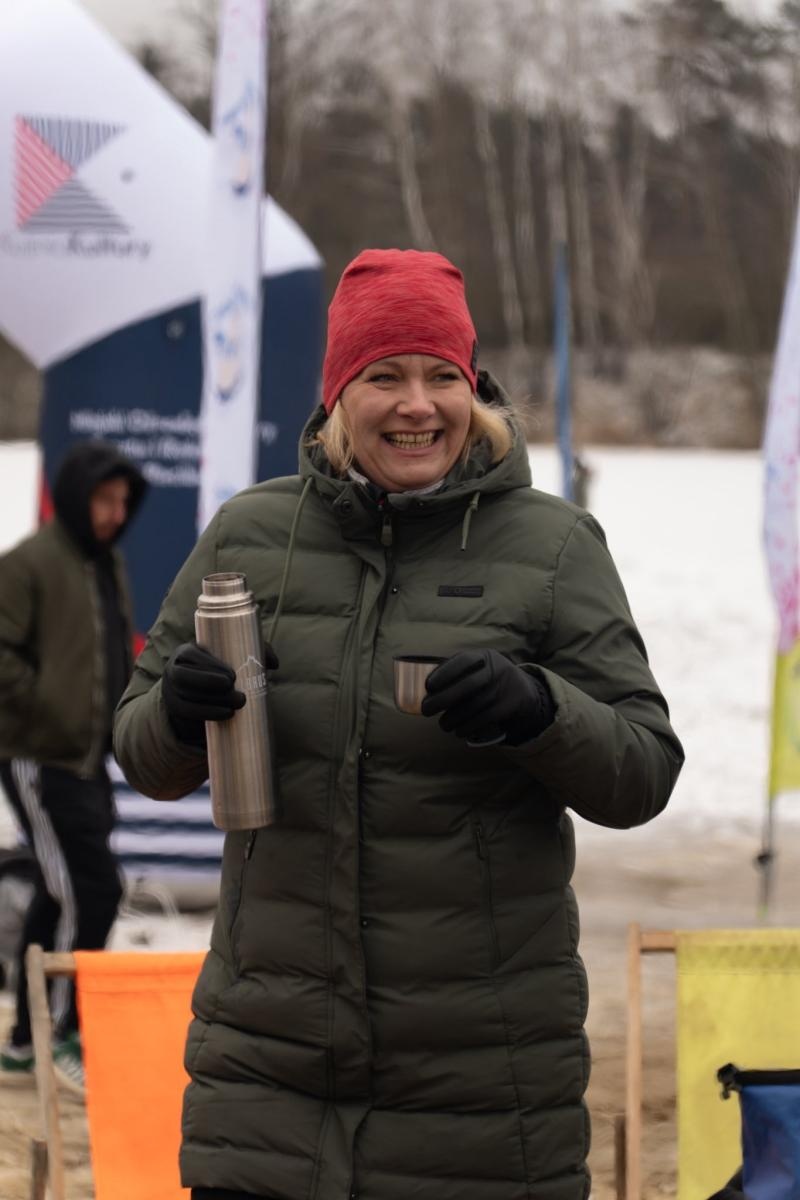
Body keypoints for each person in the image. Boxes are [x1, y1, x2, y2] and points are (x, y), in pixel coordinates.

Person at [114, 249, 683, 1200]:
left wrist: (543, 712)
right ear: (340, 393)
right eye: (384, 375)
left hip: (481, 1098)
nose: (418, 405)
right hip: (267, 1084)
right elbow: (144, 756)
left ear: (475, 392)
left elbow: (643, 772)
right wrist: (173, 714)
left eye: (442, 377)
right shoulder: (250, 536)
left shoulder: (551, 547)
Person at [0, 439, 146, 1093]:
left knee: (71, 889)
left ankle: (28, 1040)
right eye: (104, 498)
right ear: (77, 495)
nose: (115, 512)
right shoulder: (29, 563)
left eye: (123, 501)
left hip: (87, 759)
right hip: (39, 755)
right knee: (84, 891)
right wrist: (48, 712)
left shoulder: (106, 563)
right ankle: (59, 1032)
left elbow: (116, 653)